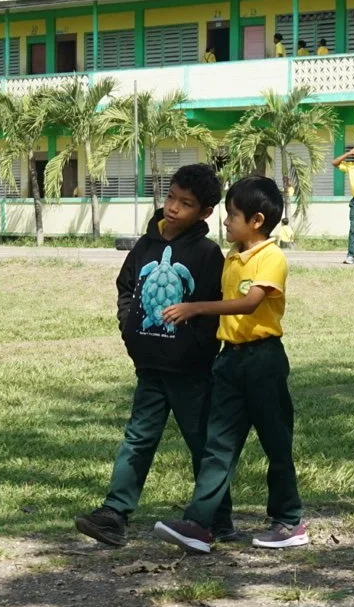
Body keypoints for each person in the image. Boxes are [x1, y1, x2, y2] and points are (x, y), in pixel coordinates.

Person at [75, 164, 229, 549]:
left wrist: (198, 348)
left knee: (202, 442)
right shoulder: (144, 246)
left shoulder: (209, 255)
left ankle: (217, 518)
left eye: (186, 204)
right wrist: (130, 330)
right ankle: (114, 514)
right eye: (172, 198)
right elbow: (127, 288)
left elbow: (214, 306)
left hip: (191, 370)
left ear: (205, 212)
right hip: (150, 366)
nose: (174, 208)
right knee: (138, 438)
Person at [152, 175, 306, 552]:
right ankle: (199, 525)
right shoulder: (232, 258)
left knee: (276, 441)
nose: (225, 221)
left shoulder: (271, 257)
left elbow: (250, 302)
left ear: (256, 220)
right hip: (229, 362)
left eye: (232, 215)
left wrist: (195, 308)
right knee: (217, 445)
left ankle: (289, 520)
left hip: (263, 361)